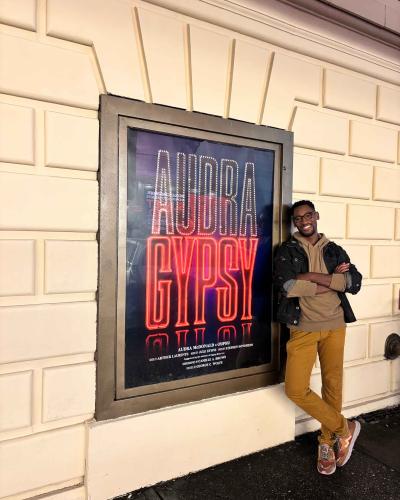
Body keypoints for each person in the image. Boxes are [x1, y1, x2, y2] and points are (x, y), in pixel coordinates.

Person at [274, 200, 362, 475]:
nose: (303, 221)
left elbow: (353, 283)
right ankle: (345, 428)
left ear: (316, 216)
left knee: (332, 385)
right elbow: (288, 286)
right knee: (295, 388)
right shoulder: (287, 251)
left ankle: (327, 441)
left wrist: (310, 277)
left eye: (308, 215)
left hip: (335, 325)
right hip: (303, 328)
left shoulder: (334, 250)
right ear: (294, 222)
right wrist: (329, 281)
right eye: (298, 218)